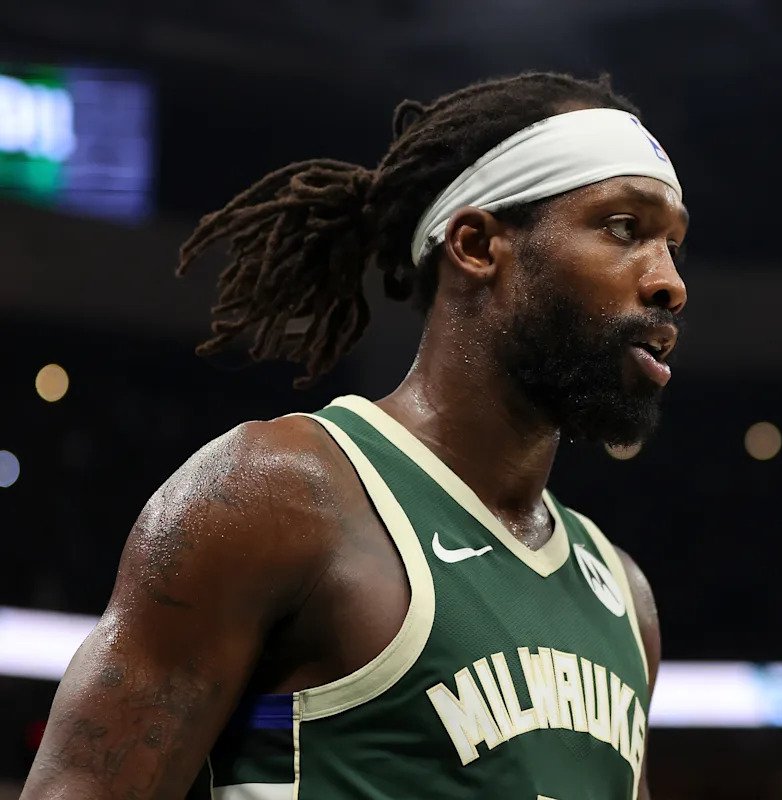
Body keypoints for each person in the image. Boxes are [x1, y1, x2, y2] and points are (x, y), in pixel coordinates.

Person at [21, 71, 688, 800]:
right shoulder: (278, 495)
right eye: (623, 228)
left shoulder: (625, 597)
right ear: (476, 245)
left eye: (673, 244)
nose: (670, 282)